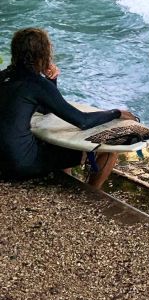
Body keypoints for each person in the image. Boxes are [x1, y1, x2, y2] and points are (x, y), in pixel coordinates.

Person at [0, 28, 136, 187]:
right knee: (109, 150)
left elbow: (45, 110)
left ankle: (69, 186)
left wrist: (51, 80)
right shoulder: (37, 83)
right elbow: (82, 121)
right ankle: (92, 193)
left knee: (56, 147)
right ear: (43, 53)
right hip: (19, 163)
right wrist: (116, 113)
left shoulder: (4, 76)